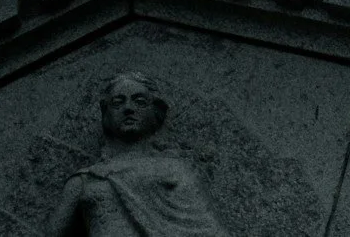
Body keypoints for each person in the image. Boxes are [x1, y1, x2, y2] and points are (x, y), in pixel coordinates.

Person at [45, 74, 225, 236]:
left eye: (139, 101)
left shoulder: (175, 171)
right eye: (118, 102)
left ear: (155, 111)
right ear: (106, 113)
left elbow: (208, 230)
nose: (128, 108)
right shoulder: (85, 180)